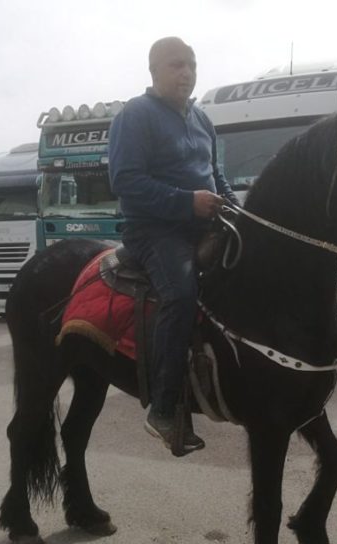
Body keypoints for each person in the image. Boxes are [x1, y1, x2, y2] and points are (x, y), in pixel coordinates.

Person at [108, 36, 238, 455]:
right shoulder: (136, 115)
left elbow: (216, 177)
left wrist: (239, 209)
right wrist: (186, 203)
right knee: (180, 294)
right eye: (176, 65)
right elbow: (126, 182)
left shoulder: (201, 119)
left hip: (202, 222)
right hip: (154, 230)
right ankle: (163, 409)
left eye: (192, 64)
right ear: (154, 72)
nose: (186, 72)